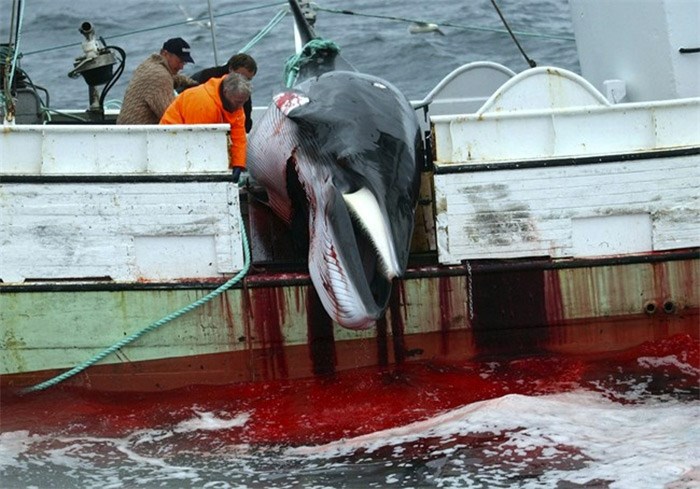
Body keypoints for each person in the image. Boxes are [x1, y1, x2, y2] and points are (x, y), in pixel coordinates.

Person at [160, 72, 252, 181]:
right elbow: (198, 143)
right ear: (226, 92)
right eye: (238, 102)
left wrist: (238, 165)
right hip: (171, 144)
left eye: (243, 102)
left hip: (195, 146)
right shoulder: (203, 103)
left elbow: (239, 138)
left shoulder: (235, 104)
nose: (240, 107)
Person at [117, 37, 198, 125]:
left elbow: (174, 78)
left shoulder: (150, 65)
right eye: (179, 61)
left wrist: (193, 83)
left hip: (127, 129)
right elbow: (172, 117)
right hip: (137, 135)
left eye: (184, 63)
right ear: (165, 54)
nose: (181, 67)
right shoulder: (160, 75)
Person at [189, 53, 258, 133]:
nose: (243, 81)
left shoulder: (242, 92)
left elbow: (246, 125)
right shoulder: (206, 78)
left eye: (248, 79)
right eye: (241, 76)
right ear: (231, 69)